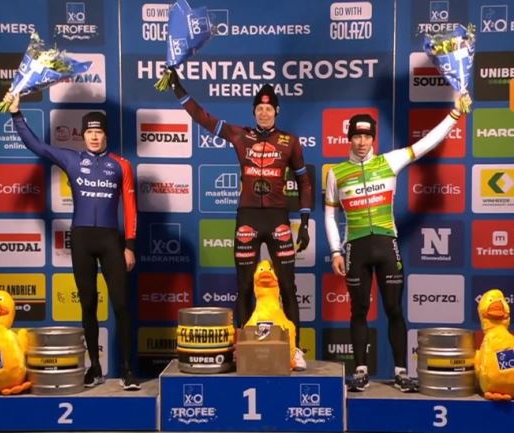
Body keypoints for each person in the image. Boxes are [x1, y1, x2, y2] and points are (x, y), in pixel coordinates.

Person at [167, 72, 312, 369]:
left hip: (278, 218)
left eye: (269, 108)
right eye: (259, 108)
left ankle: (295, 349)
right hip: (248, 218)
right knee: (244, 285)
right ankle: (243, 347)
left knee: (288, 286)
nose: (264, 113)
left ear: (277, 111)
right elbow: (204, 118)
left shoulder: (290, 142)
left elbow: (304, 182)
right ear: (254, 111)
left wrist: (306, 221)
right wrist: (178, 88)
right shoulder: (239, 135)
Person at [324, 95, 469, 392]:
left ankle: (401, 372)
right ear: (349, 138)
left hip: (386, 245)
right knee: (359, 310)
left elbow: (427, 143)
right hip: (355, 248)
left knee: (393, 308)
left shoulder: (389, 161)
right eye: (356, 136)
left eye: (367, 136)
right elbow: (329, 215)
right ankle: (360, 371)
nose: (362, 142)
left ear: (373, 138)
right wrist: (336, 250)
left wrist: (455, 114)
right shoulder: (336, 173)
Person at [3, 94, 141, 391]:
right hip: (81, 239)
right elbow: (36, 146)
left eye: (99, 132)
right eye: (89, 132)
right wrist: (16, 114)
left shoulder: (121, 165)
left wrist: (129, 245)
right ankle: (95, 368)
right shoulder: (72, 159)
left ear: (106, 135)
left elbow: (130, 207)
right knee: (88, 304)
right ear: (83, 135)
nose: (94, 136)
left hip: (111, 240)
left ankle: (128, 370)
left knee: (121, 304)